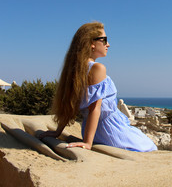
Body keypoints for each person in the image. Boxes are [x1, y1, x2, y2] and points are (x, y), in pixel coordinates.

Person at [39, 22, 157, 152]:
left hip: (95, 131)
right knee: (151, 148)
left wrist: (57, 132)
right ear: (91, 43)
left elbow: (69, 103)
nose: (108, 44)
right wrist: (88, 143)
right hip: (112, 131)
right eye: (104, 40)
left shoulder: (75, 70)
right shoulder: (97, 68)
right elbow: (95, 108)